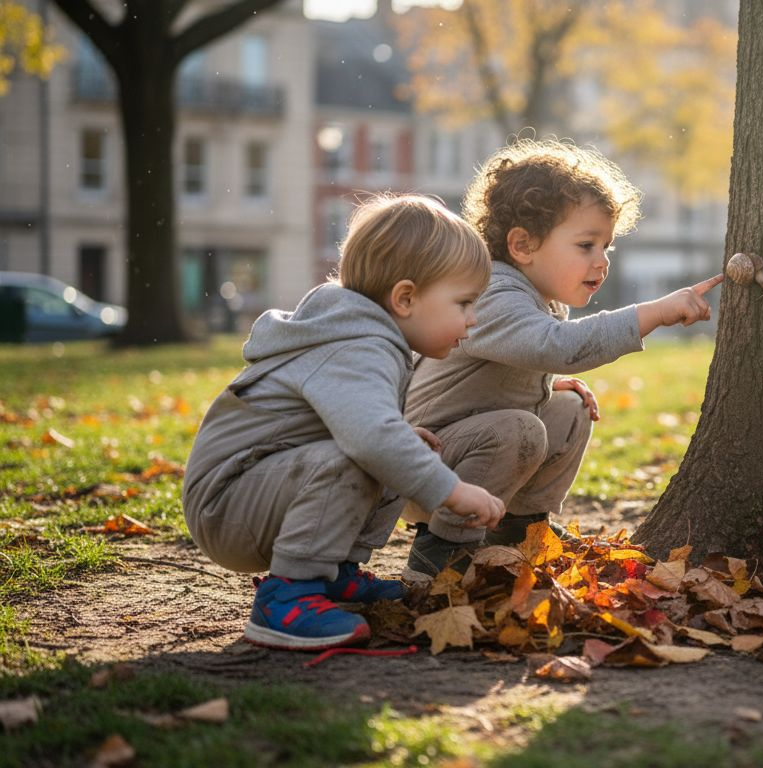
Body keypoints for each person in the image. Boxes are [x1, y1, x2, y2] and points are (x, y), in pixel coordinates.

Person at [182, 194, 506, 651]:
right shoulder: (359, 343)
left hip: (255, 495)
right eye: (464, 303)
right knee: (372, 452)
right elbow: (371, 437)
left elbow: (364, 431)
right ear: (406, 297)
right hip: (227, 507)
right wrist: (452, 492)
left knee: (404, 448)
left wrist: (402, 448)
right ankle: (286, 598)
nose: (472, 320)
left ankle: (336, 573)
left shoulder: (364, 332)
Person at [401, 139, 722, 579]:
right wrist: (653, 313)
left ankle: (520, 529)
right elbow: (557, 346)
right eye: (586, 245)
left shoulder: (539, 298)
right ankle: (438, 553)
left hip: (473, 448)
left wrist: (547, 386)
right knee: (521, 429)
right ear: (523, 245)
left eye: (606, 246)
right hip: (425, 462)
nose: (602, 261)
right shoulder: (489, 292)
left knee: (570, 410)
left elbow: (520, 359)